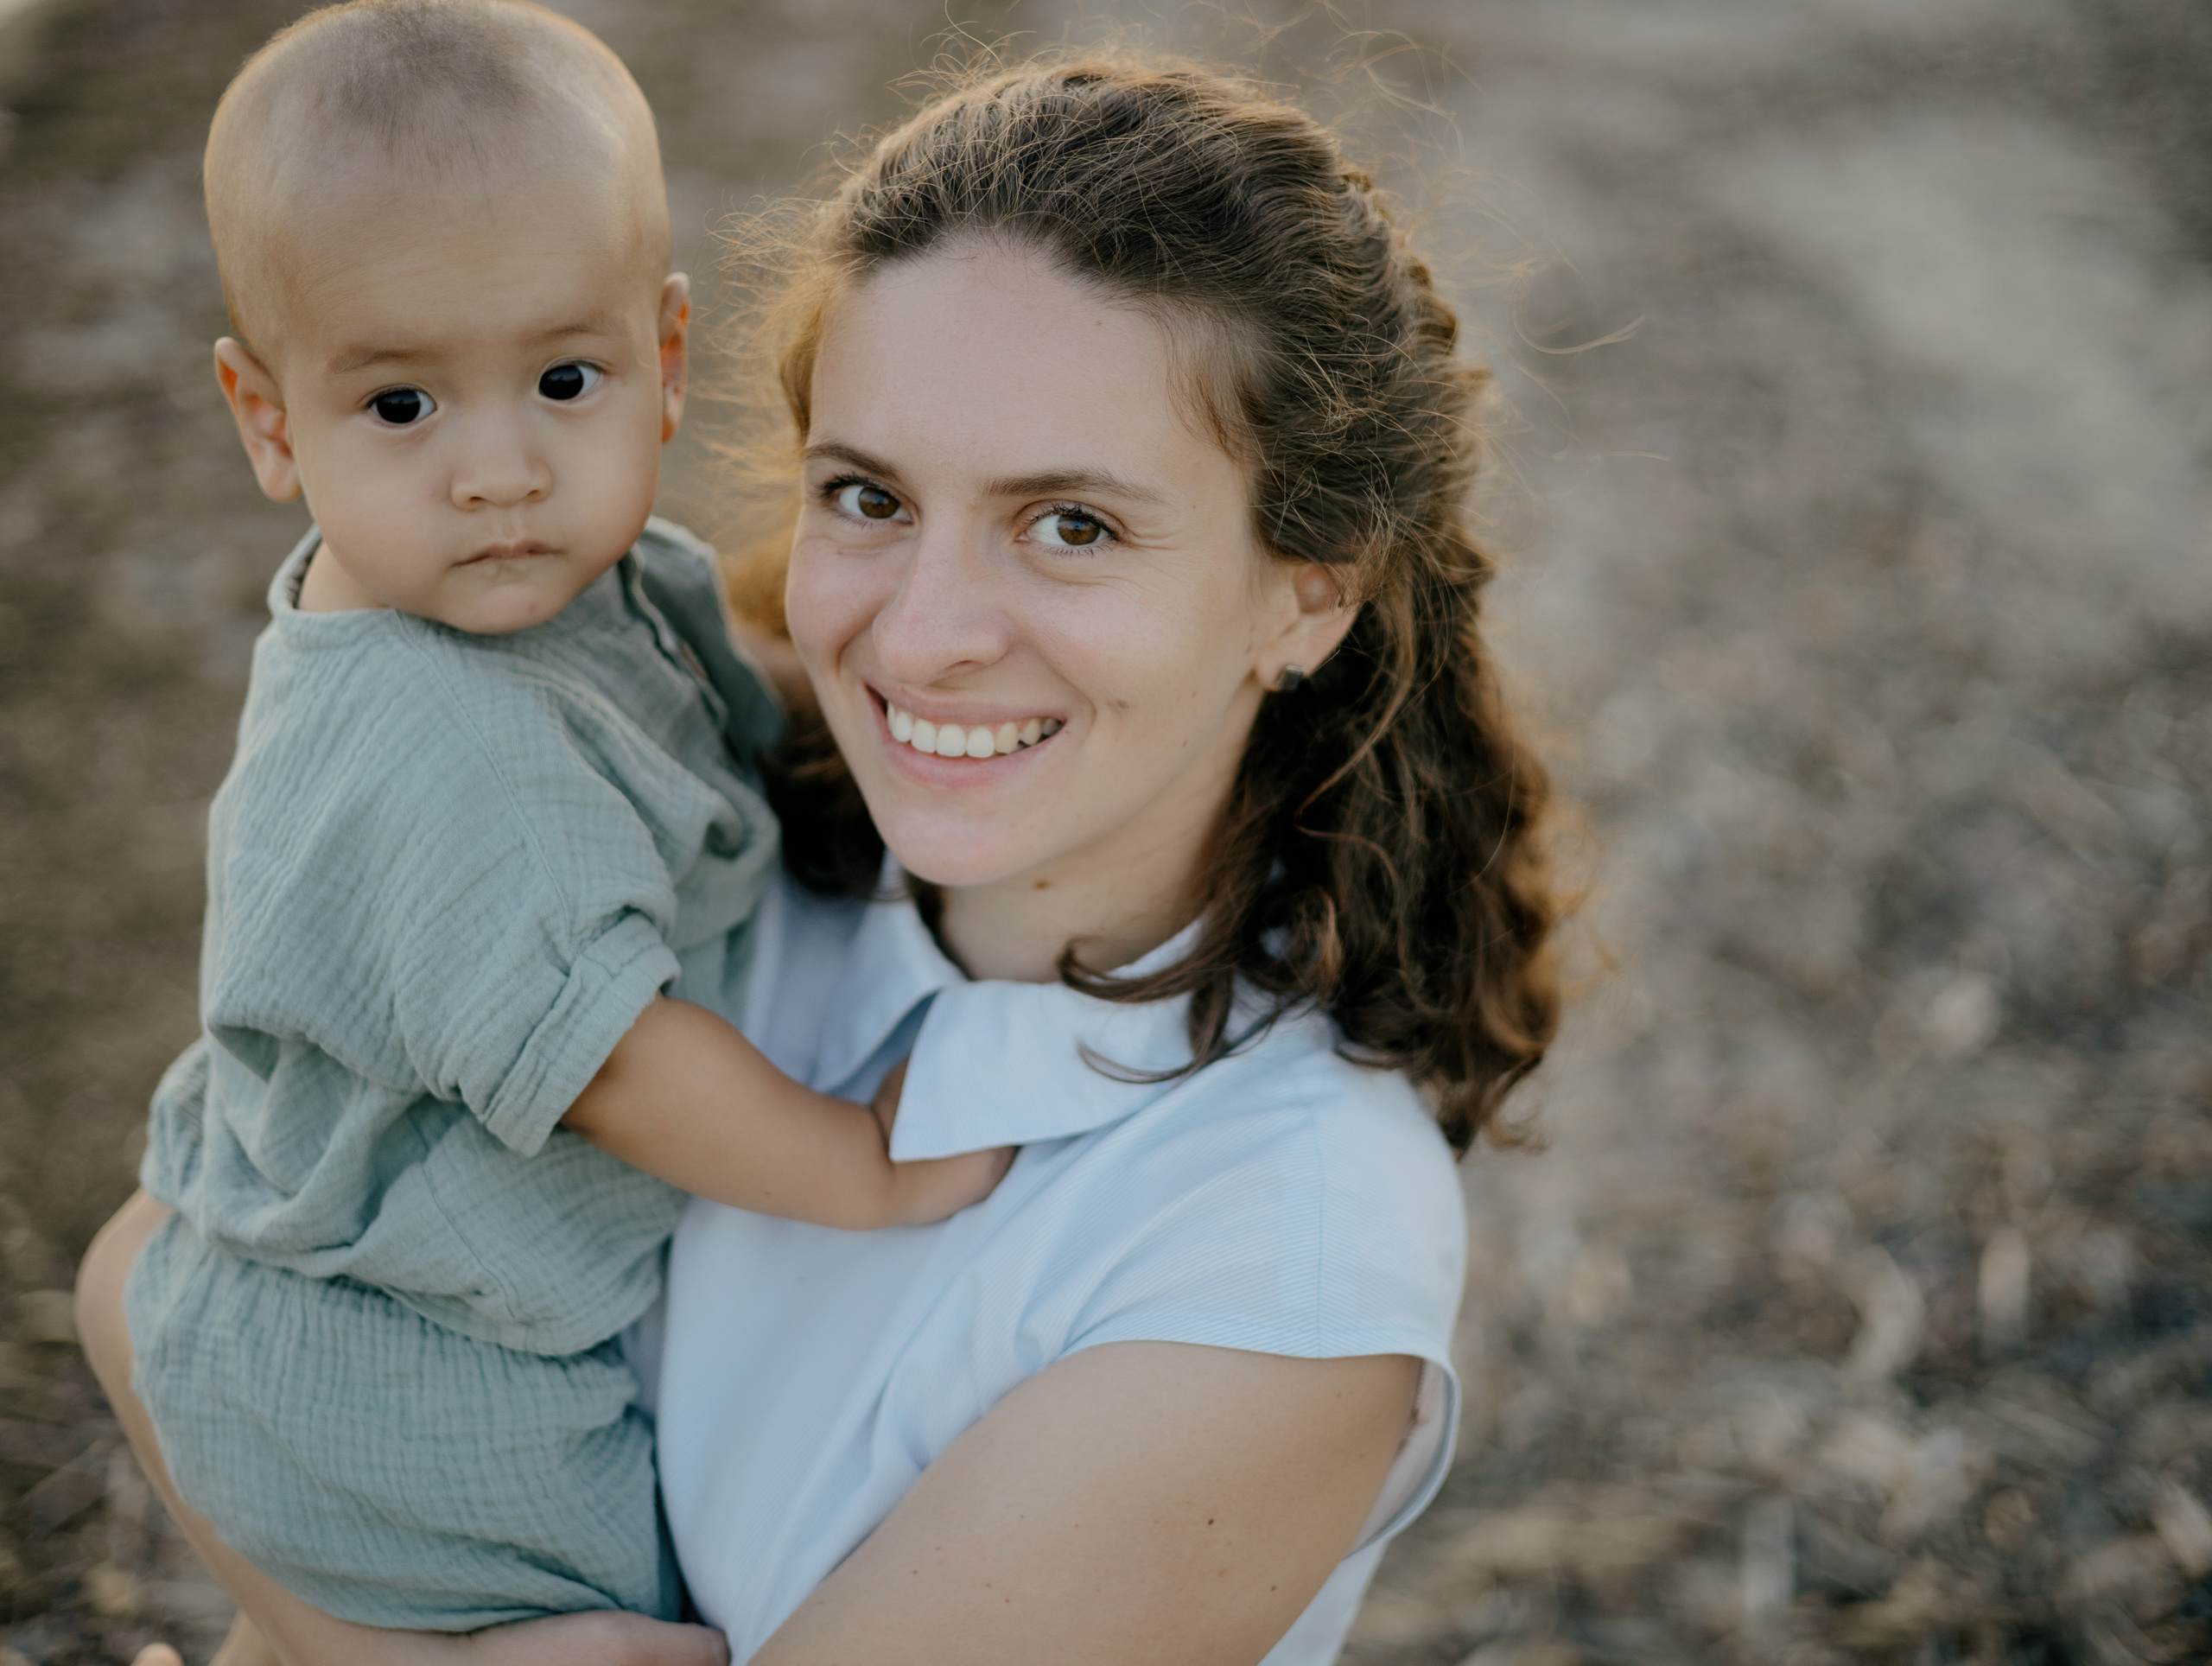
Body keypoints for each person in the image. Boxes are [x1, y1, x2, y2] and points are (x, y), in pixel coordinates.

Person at [79, 52, 1564, 1666]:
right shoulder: (702, 827)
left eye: (1071, 525)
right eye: (868, 496)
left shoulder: (1277, 1266)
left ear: (1307, 593)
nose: (919, 640)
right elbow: (154, 1259)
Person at [84, 0, 1010, 1646]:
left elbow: (733, 702)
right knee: (612, 1641)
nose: (500, 467)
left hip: (368, 1300)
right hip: (399, 1373)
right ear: (267, 420)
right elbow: (616, 1065)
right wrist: (861, 1168)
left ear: (661, 363)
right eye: (401, 407)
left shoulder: (586, 582)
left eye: (560, 378)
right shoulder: (448, 752)